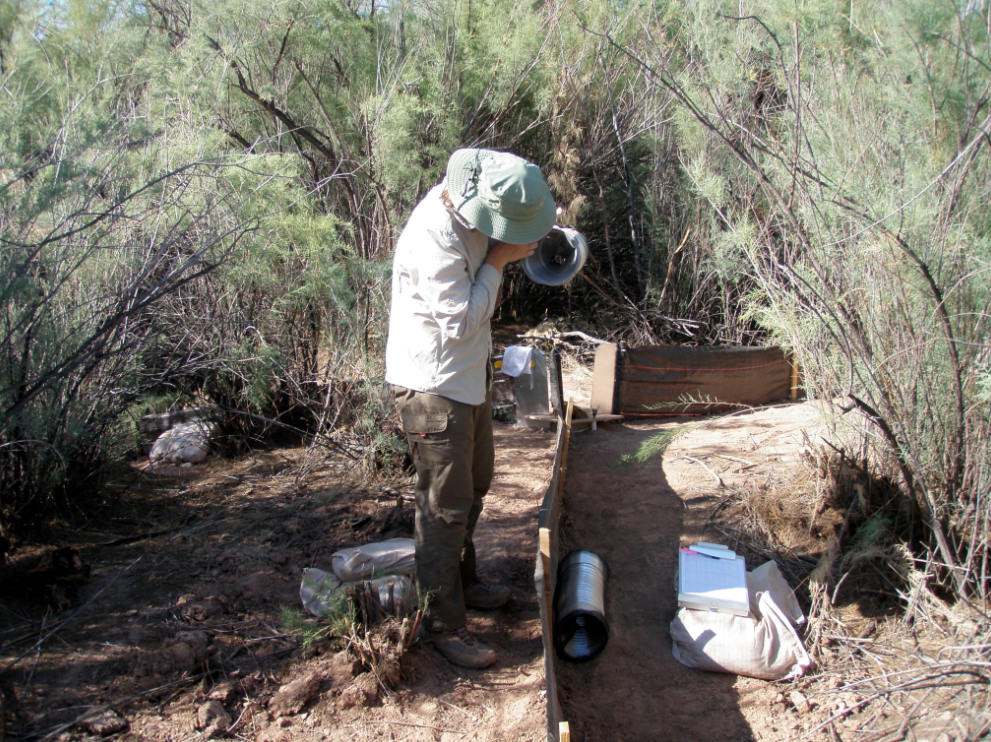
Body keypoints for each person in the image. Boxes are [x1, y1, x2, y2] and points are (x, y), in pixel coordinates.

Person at [385, 148, 556, 669]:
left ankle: (462, 582)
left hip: (466, 379)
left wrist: (515, 248)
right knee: (444, 506)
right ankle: (442, 622)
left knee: (474, 486)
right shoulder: (433, 235)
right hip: (433, 387)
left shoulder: (473, 210)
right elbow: (459, 319)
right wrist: (501, 260)